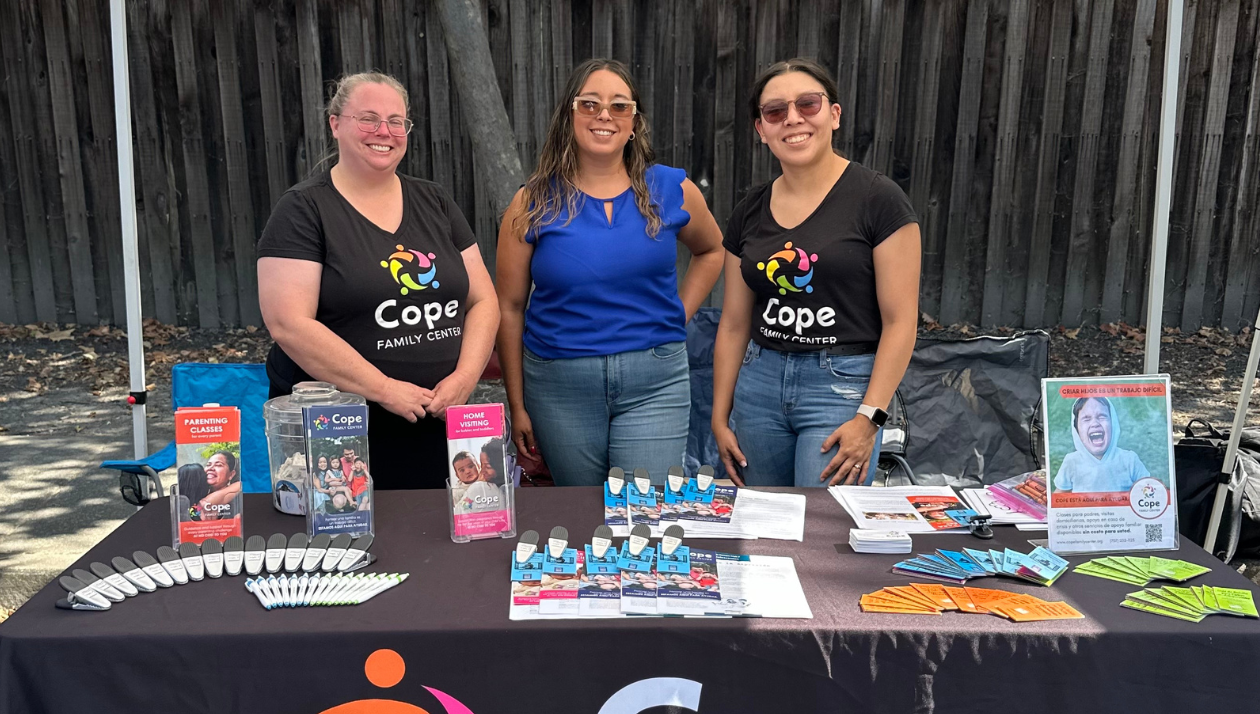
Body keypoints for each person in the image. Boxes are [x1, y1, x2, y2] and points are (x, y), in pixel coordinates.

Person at [257, 71, 499, 490]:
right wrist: (385, 389)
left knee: (438, 531)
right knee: (351, 529)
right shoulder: (302, 209)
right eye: (368, 119)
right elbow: (288, 324)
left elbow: (484, 301)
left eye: (395, 121)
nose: (383, 132)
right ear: (335, 123)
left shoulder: (435, 200)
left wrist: (464, 379)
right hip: (342, 431)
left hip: (438, 418)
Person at [496, 58, 725, 487]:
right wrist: (517, 403)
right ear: (569, 115)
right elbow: (508, 307)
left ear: (634, 121)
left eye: (619, 106)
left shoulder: (671, 189)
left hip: (655, 384)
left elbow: (712, 250)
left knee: (644, 512)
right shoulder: (532, 202)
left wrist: (678, 314)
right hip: (559, 387)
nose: (604, 115)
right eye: (589, 104)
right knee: (582, 511)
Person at [712, 59, 921, 488]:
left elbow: (901, 322)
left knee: (823, 523)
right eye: (775, 111)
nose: (792, 118)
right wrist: (719, 417)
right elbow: (733, 324)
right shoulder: (749, 210)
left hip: (841, 388)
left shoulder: (879, 200)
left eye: (807, 104)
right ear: (761, 129)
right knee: (765, 520)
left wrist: (870, 418)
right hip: (759, 387)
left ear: (834, 114)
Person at [1054, 396, 1149, 493]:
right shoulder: (1071, 462)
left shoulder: (1130, 460)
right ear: (1077, 429)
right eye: (1086, 419)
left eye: (1102, 416)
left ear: (1113, 424)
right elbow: (1058, 497)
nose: (1095, 423)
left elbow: (1150, 490)